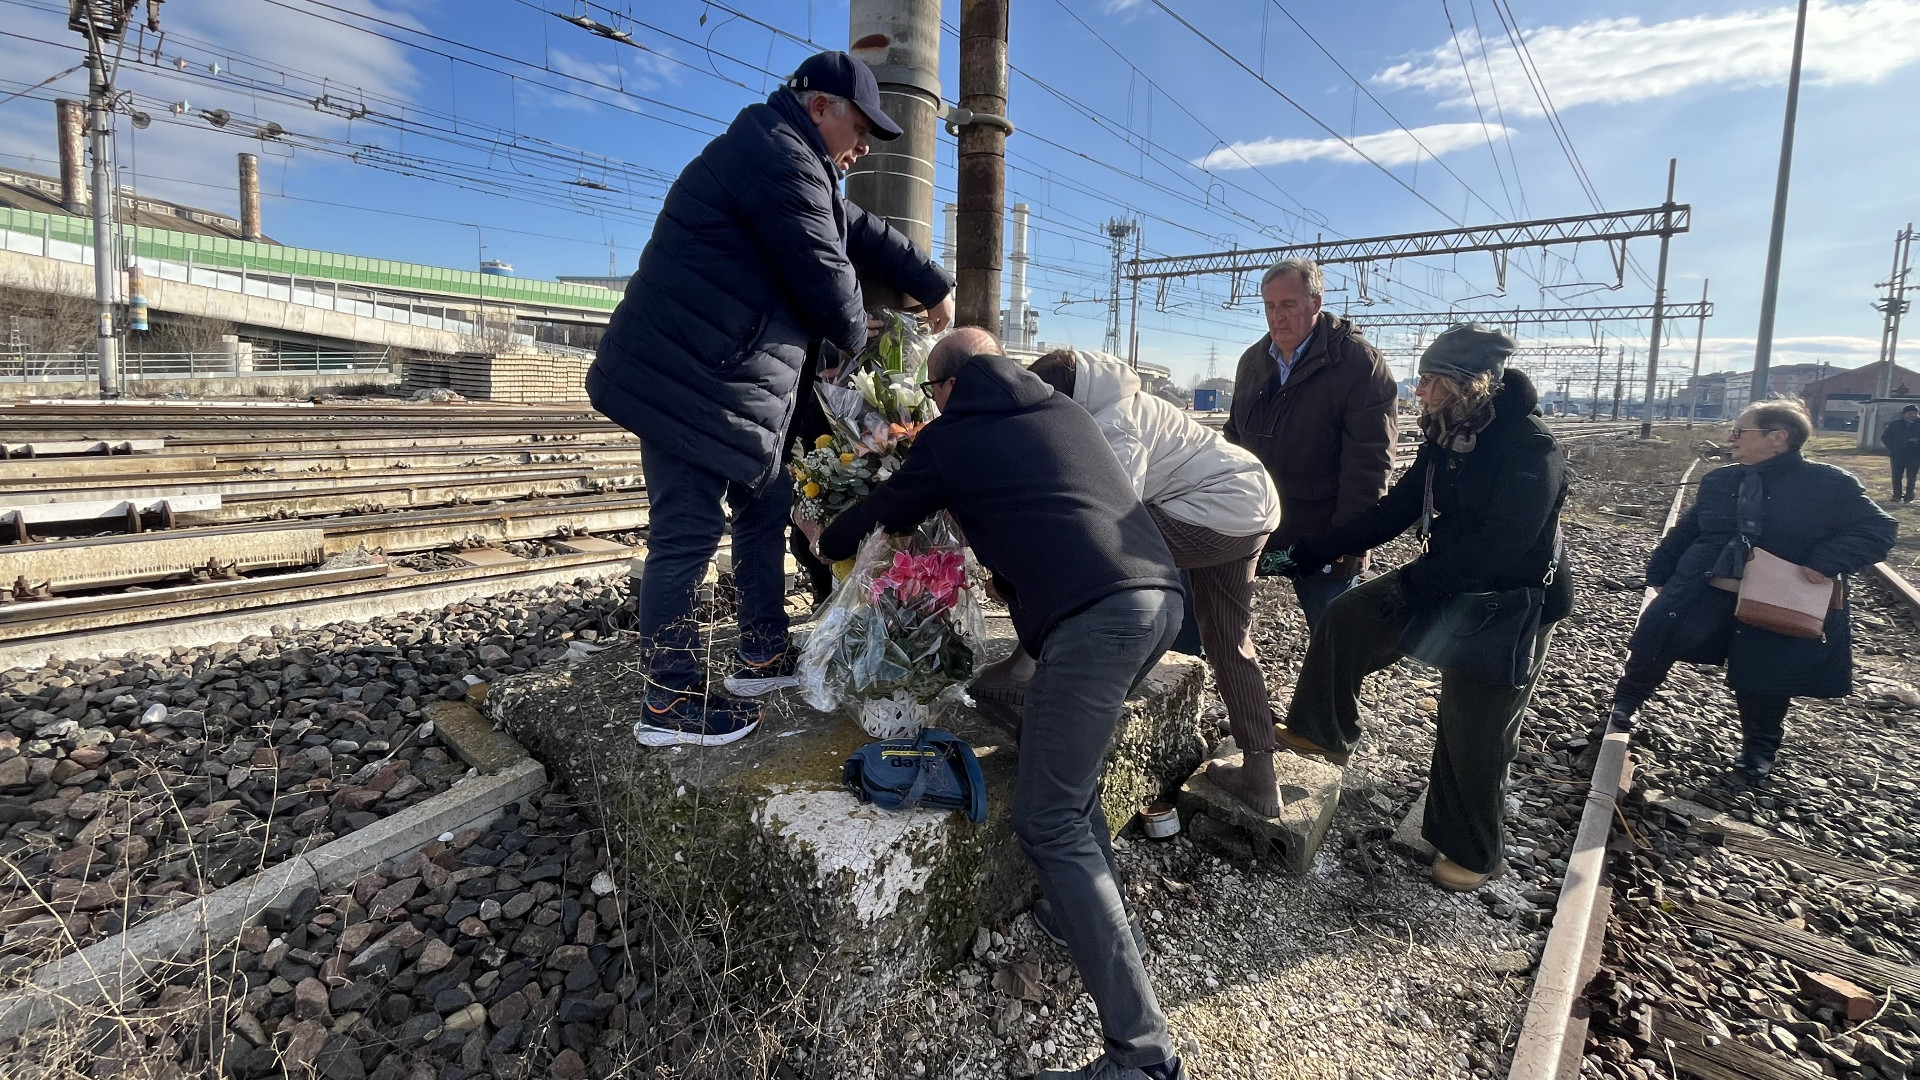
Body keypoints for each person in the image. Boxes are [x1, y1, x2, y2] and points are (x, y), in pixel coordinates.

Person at [805, 329, 1188, 1080]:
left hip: (1096, 623)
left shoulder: (953, 438)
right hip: (1163, 602)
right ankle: (1074, 910)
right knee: (1058, 779)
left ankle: (1143, 1057)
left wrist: (823, 537)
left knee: (1046, 817)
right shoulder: (1066, 415)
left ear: (945, 388)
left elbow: (880, 512)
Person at [587, 51, 954, 747]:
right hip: (689, 383)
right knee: (687, 536)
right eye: (861, 127)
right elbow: (831, 287)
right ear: (820, 107)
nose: (865, 146)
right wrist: (859, 326)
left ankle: (760, 650)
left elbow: (860, 232)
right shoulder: (778, 157)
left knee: (768, 501)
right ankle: (666, 705)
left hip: (725, 382)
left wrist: (931, 284)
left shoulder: (792, 160)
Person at [1263, 325, 1571, 892]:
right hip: (1444, 582)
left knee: (1472, 727)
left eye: (1430, 380)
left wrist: (1416, 583)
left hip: (1509, 602)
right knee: (1347, 620)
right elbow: (1394, 511)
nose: (1420, 390)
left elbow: (1505, 544)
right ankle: (1320, 730)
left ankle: (1475, 851)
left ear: (1468, 384)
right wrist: (1303, 553)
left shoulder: (1531, 447)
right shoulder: (1446, 439)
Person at [1015, 347, 1287, 816]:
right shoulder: (1116, 399)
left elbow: (1108, 510)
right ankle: (1260, 777)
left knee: (1085, 560)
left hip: (1218, 508)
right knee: (1227, 637)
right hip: (1249, 505)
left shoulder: (1111, 424)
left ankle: (1051, 680)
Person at [1608, 398, 1896, 783]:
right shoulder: (1721, 479)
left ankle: (1758, 750)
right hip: (1705, 585)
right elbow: (1691, 530)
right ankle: (1625, 704)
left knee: (1766, 674)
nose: (1731, 438)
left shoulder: (1830, 484)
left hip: (1777, 598)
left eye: (1740, 431)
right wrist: (1660, 571)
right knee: (1658, 640)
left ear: (1778, 437)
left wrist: (1824, 561)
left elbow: (1878, 530)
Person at [1223, 257, 1397, 631]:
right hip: (1255, 521)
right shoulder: (1253, 361)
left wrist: (1344, 542)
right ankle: (1208, 681)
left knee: (1333, 641)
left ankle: (1330, 691)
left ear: (1315, 304)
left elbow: (1368, 464)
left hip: (1324, 530)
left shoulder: (1358, 363)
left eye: (1288, 305)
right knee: (1213, 619)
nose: (1276, 317)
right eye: (1270, 306)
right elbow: (1234, 438)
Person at [1881, 403, 1920, 503]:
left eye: (1915, 413)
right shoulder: (1895, 424)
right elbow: (1885, 437)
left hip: (1914, 455)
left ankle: (1909, 496)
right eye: (1910, 413)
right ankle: (1897, 496)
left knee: (1911, 477)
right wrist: (1893, 448)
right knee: (1897, 476)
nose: (1913, 415)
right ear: (1904, 414)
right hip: (1898, 455)